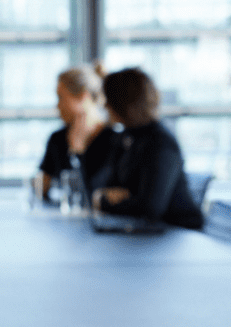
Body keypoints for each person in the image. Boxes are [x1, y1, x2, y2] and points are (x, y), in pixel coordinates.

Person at [91, 66, 205, 229]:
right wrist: (108, 196)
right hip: (147, 230)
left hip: (177, 232)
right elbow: (102, 185)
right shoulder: (128, 137)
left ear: (121, 103)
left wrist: (103, 202)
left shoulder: (160, 142)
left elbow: (150, 208)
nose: (105, 106)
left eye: (109, 100)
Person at [36, 64, 118, 201]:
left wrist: (77, 151)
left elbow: (91, 193)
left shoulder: (114, 140)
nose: (57, 106)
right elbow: (42, 187)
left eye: (61, 97)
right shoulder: (57, 139)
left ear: (83, 97)